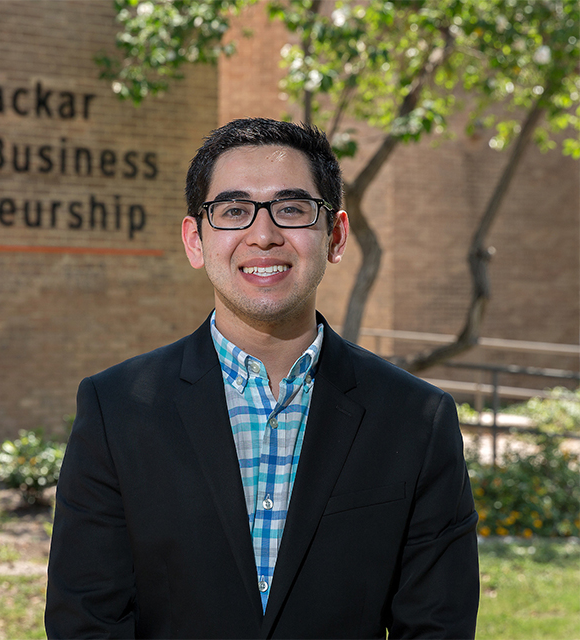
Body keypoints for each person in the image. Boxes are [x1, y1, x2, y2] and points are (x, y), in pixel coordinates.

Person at [45, 118, 479, 639]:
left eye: (291, 209)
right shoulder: (116, 410)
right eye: (233, 211)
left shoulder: (416, 420)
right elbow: (86, 622)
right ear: (196, 240)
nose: (264, 235)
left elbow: (437, 628)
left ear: (335, 235)